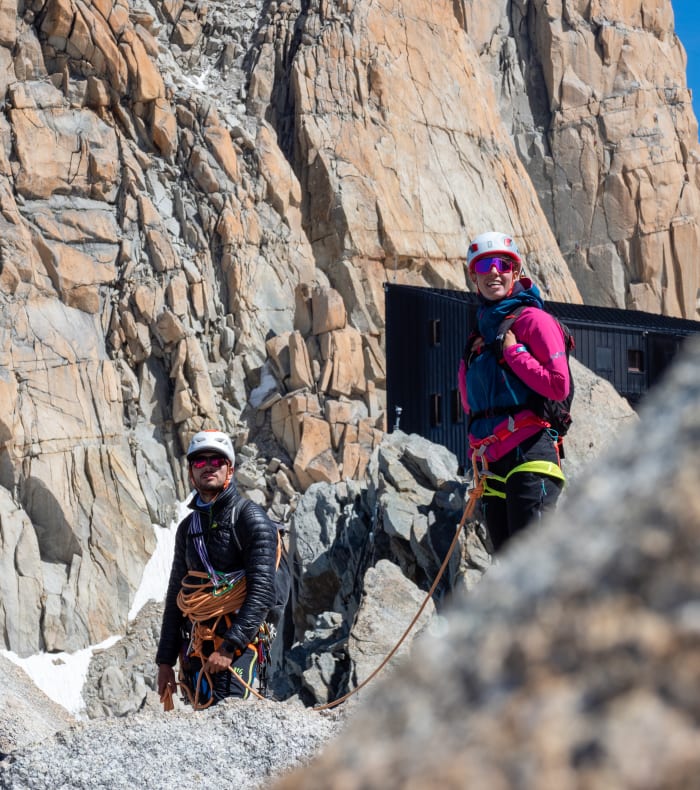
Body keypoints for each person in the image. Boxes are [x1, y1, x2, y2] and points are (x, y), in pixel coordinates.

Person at [458, 231, 570, 552]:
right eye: (485, 266)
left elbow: (559, 384)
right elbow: (470, 404)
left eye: (502, 264)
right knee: (507, 570)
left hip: (531, 455)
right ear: (474, 276)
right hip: (491, 465)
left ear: (516, 272)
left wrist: (515, 354)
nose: (494, 271)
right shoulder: (477, 338)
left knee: (529, 567)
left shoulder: (534, 321)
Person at [156, 429, 279, 707]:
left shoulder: (250, 519)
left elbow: (262, 592)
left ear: (230, 470)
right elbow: (178, 595)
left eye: (217, 461)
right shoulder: (188, 528)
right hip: (196, 648)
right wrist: (165, 661)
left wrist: (228, 647)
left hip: (237, 648)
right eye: (200, 462)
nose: (208, 466)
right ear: (190, 472)